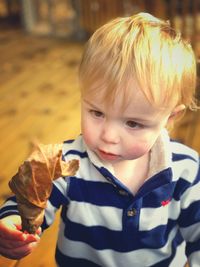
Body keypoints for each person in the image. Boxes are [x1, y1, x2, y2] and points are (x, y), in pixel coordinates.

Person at [0, 12, 199, 267]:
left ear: (170, 118)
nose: (108, 136)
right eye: (97, 112)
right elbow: (28, 202)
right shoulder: (68, 163)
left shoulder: (186, 171)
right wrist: (12, 225)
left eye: (133, 123)